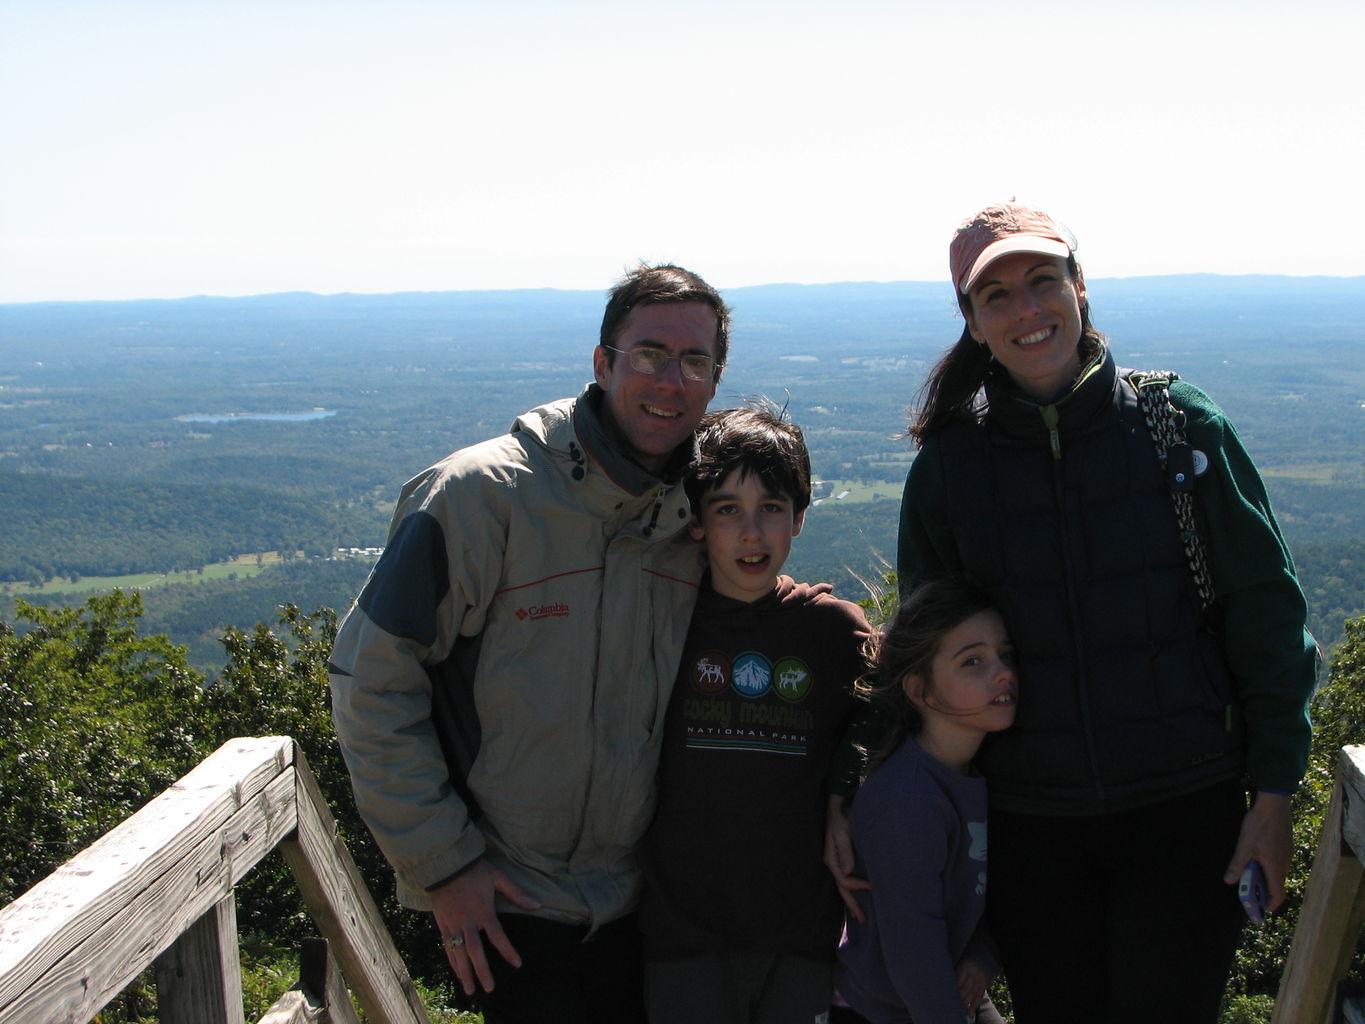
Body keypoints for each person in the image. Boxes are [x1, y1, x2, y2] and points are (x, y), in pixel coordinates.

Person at [895, 201, 1318, 1023]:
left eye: (1042, 281)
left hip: (1184, 814)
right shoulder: (950, 469)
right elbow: (922, 664)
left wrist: (1272, 797)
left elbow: (1266, 617)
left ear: (1079, 289)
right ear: (973, 325)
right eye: (996, 296)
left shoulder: (1177, 427)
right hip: (1028, 827)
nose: (1026, 311)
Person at [328, 263, 731, 1023]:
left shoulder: (706, 512)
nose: (669, 379)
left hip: (652, 904)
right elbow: (369, 678)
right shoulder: (482, 497)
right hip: (510, 901)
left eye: (694, 361)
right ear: (602, 364)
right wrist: (444, 865)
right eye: (648, 353)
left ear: (714, 382)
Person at [638, 404, 873, 1024]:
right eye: (727, 510)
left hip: (798, 934)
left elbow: (896, 712)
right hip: (680, 934)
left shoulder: (831, 631)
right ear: (697, 523)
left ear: (798, 518)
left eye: (771, 508)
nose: (751, 533)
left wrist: (841, 797)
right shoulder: (665, 622)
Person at [835, 577, 1013, 1024]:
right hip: (883, 1010)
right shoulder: (908, 801)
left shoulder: (970, 775)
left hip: (941, 992)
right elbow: (914, 951)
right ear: (921, 692)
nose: (1003, 672)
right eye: (972, 661)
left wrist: (981, 958)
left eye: (1004, 655)